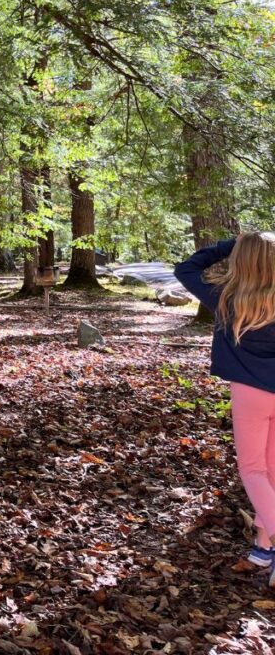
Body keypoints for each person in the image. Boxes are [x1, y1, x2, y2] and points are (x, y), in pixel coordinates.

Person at [174, 232, 275, 585]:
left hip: (250, 394)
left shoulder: (226, 298)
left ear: (241, 261)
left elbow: (186, 268)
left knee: (252, 469)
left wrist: (231, 244)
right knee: (272, 469)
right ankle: (264, 548)